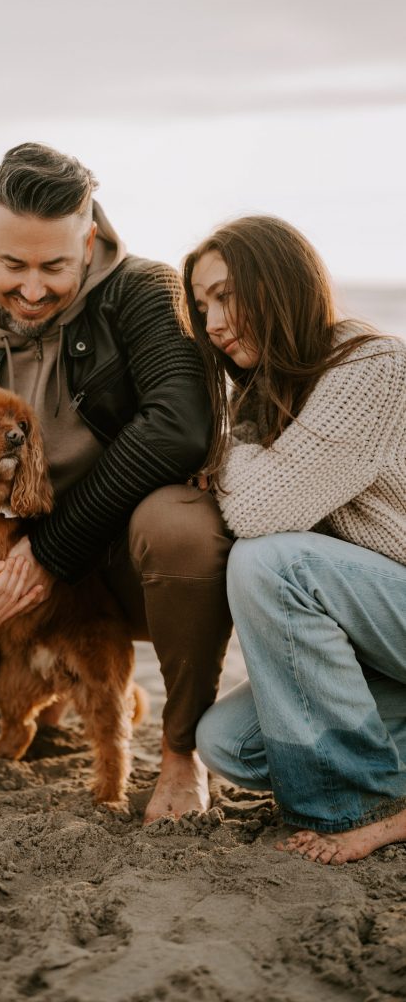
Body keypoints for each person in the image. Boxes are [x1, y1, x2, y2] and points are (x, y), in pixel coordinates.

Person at [0, 142, 233, 823]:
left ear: (87, 239)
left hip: (120, 560)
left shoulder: (144, 291)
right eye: (11, 265)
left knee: (183, 529)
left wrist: (49, 555)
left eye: (54, 266)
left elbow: (180, 427)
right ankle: (41, 689)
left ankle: (179, 751)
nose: (31, 288)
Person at [182, 215, 406, 863]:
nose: (213, 323)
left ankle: (363, 808)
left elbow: (253, 510)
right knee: (229, 744)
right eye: (201, 307)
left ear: (280, 283)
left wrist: (225, 452)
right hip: (383, 632)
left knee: (270, 563)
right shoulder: (276, 390)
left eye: (225, 295)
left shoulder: (372, 366)